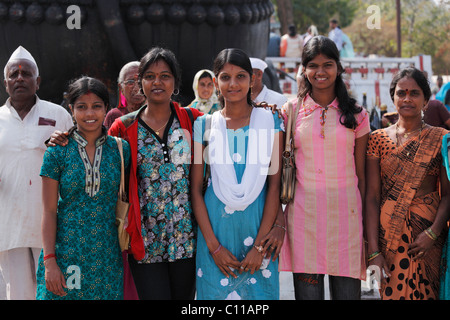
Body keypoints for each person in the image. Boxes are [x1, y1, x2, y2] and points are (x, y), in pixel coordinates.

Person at [279, 36, 370, 300]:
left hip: (348, 220)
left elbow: (362, 176)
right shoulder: (290, 111)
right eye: (313, 65)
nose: (320, 72)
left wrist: (366, 226)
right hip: (304, 219)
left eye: (327, 64)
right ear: (304, 70)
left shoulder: (357, 114)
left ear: (339, 68)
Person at [109, 47, 202, 300]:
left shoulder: (194, 120)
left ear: (176, 82)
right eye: (150, 76)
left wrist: (259, 108)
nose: (157, 82)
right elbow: (100, 157)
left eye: (165, 76)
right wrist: (64, 138)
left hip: (187, 239)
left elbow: (233, 121)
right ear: (140, 83)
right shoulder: (124, 127)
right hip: (145, 239)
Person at [191, 48, 284, 300]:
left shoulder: (272, 122)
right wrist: (214, 247)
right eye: (225, 77)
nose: (233, 84)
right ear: (216, 81)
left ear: (251, 80)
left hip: (258, 229)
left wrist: (259, 247)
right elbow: (196, 190)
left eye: (241, 76)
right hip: (215, 233)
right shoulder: (204, 125)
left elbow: (274, 186)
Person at [36, 76, 130, 300]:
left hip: (107, 258)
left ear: (106, 108)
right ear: (71, 109)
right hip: (66, 253)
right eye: (82, 107)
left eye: (97, 107)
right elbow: (49, 211)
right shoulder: (57, 151)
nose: (90, 114)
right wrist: (50, 261)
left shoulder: (120, 150)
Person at [365, 67, 450, 300]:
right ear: (393, 98)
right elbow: (372, 197)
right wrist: (373, 251)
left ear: (426, 100)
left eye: (414, 93)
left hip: (428, 237)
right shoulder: (377, 139)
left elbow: (448, 195)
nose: (407, 99)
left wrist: (433, 233)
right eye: (401, 93)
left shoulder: (441, 138)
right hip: (389, 239)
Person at [0, 46, 73, 300]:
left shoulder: (58, 115)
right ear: (5, 82)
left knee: (56, 293)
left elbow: (76, 163)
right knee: (18, 295)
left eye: (26, 73)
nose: (19, 78)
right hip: (9, 227)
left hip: (54, 228)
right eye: (14, 74)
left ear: (38, 81)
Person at [104, 61, 145, 129]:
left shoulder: (159, 113)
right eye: (130, 82)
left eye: (140, 81)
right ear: (121, 88)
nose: (137, 88)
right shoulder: (115, 115)